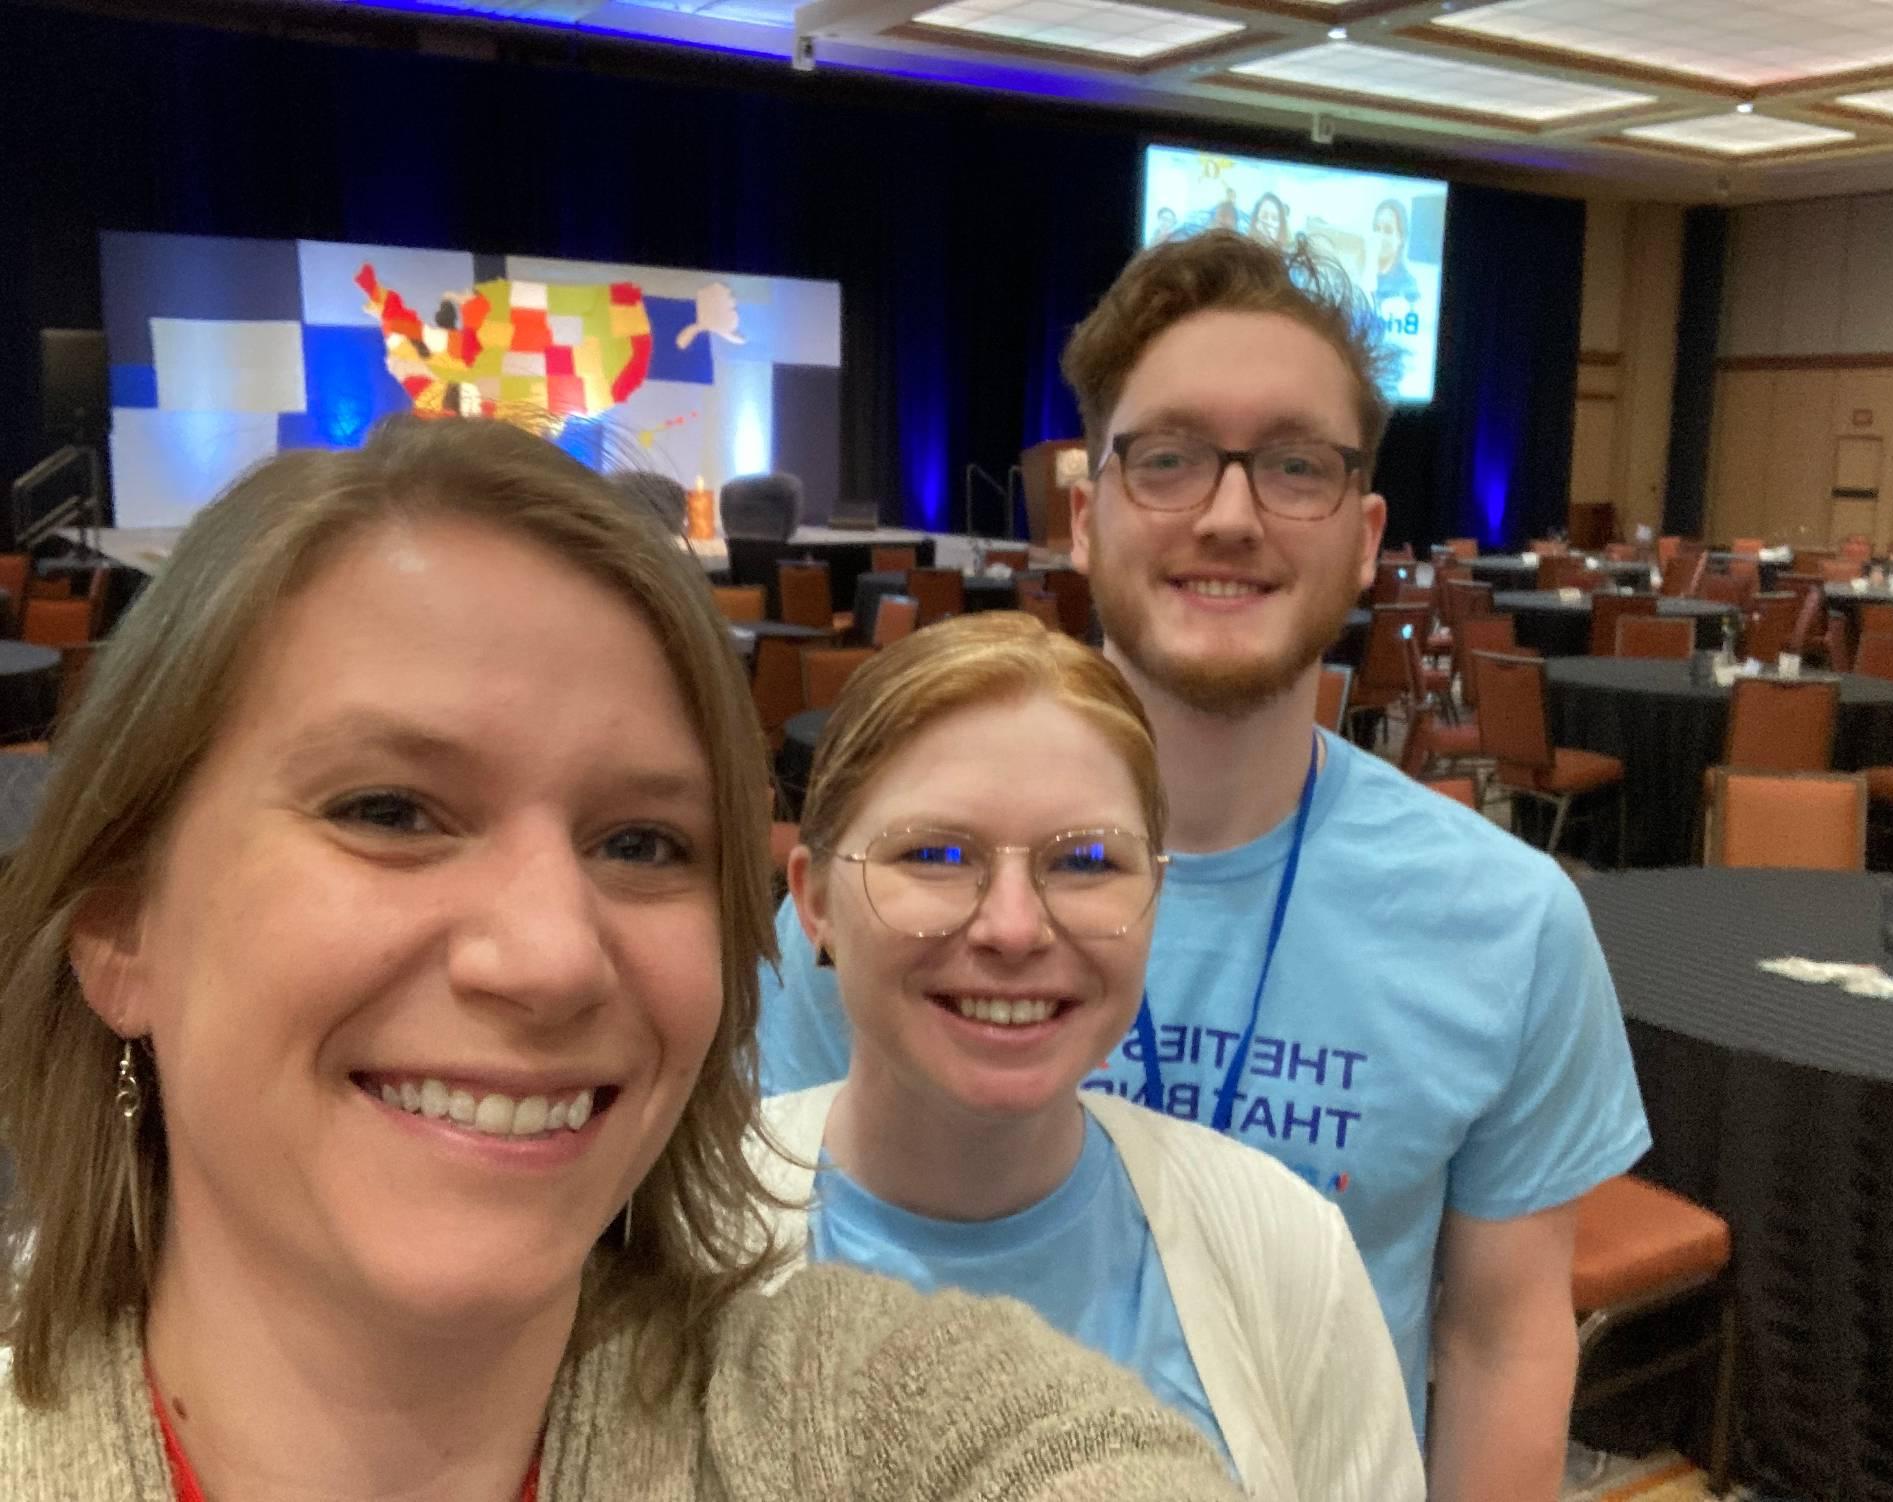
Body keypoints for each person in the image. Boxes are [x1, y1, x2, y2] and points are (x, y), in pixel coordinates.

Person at [0, 417, 1242, 1502]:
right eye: (390, 810)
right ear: (121, 925)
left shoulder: (867, 1424)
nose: (548, 956)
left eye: (643, 840)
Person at [756, 231, 1650, 1501]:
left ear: (1361, 535)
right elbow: (772, 1245)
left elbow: (1498, 1338)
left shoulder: (1506, 920)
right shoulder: (888, 899)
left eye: (1294, 464)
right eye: (1167, 457)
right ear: (1085, 513)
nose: (1228, 516)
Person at [752, 612, 1423, 1501]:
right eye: (937, 854)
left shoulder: (1291, 1255)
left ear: (1156, 895)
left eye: (1087, 864)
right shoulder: (670, 1247)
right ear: (815, 902)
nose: (1015, 929)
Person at [1369, 198, 1420, 308]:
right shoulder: (1361, 274)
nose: (1380, 237)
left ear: (1401, 238)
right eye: (1376, 229)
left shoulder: (1408, 285)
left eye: (1388, 230)